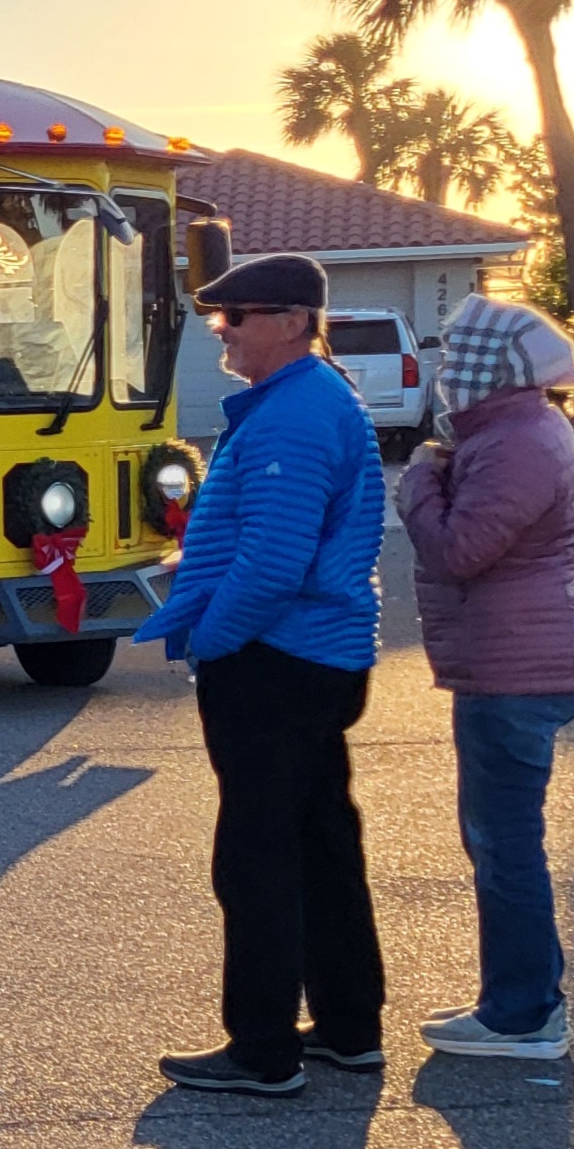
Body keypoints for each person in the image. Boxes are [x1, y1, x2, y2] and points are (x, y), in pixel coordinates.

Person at [132, 252, 388, 1096]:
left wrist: (213, 635)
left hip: (276, 658)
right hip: (317, 654)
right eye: (217, 320)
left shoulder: (292, 416)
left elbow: (273, 561)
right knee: (321, 843)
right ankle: (349, 1026)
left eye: (234, 319)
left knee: (258, 856)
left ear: (289, 319)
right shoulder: (312, 399)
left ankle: (263, 1047)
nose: (222, 335)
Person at [400, 296, 574, 1062]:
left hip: (515, 668)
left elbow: (457, 550)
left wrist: (417, 483)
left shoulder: (515, 441)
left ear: (496, 364)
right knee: (501, 840)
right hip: (517, 659)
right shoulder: (511, 431)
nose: (449, 373)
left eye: (459, 358)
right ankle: (520, 998)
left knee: (506, 843)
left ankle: (524, 1014)